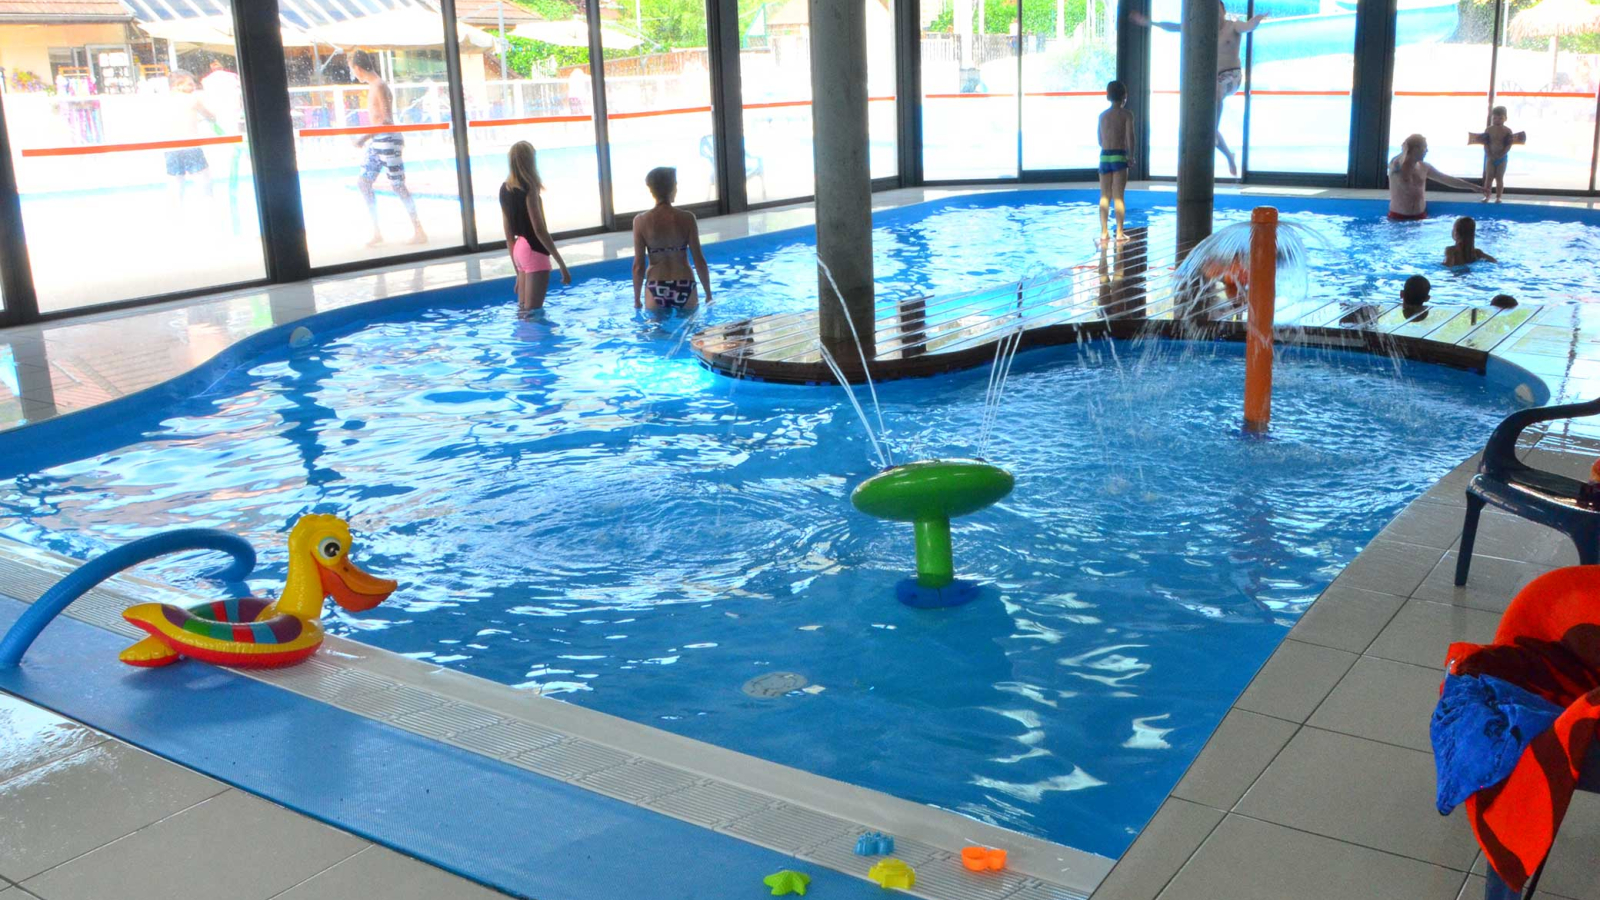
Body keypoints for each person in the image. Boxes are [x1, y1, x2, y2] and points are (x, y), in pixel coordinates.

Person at [1131, 0, 1266, 176]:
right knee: (1208, 130)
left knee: (1216, 93)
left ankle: (1216, 136)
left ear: (1223, 11)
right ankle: (1228, 155)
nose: (1215, 16)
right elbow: (1174, 27)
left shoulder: (1233, 26)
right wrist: (1149, 22)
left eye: (1217, 11)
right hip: (1214, 81)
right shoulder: (1203, 29)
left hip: (1231, 76)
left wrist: (1257, 20)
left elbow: (1247, 26)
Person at [350, 49, 427, 247]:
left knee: (398, 185)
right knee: (363, 183)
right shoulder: (374, 86)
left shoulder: (379, 86)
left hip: (387, 140)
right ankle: (377, 231)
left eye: (352, 69)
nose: (353, 73)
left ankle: (419, 230)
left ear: (358, 68)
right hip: (377, 141)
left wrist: (362, 137)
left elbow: (385, 119)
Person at [500, 141, 571, 314]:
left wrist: (517, 271)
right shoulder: (529, 188)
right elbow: (539, 229)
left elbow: (509, 236)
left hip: (519, 249)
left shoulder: (504, 189)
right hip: (534, 250)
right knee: (534, 313)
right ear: (530, 161)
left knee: (523, 311)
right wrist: (561, 264)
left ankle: (522, 341)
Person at [632, 167, 713, 314]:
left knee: (657, 336)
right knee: (689, 335)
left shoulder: (640, 221)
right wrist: (708, 294)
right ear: (673, 187)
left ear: (651, 190)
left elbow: (638, 266)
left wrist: (637, 300)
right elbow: (699, 260)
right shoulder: (688, 218)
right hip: (685, 284)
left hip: (656, 286)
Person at [1388, 134, 1481, 220]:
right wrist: (1405, 150)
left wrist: (1473, 186)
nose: (1427, 151)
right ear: (1415, 149)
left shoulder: (1424, 167)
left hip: (1420, 217)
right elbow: (1396, 162)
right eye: (1425, 147)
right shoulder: (1395, 166)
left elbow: (1446, 179)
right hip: (1397, 217)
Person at [164, 70, 216, 209]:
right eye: (190, 84)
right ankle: (210, 212)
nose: (194, 87)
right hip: (190, 146)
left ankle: (177, 215)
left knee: (176, 185)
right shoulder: (192, 99)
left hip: (171, 149)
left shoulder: (165, 100)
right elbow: (210, 116)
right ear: (177, 85)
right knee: (203, 183)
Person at [1098, 80, 1136, 246]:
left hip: (1104, 156)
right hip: (1119, 156)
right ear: (1124, 97)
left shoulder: (1102, 116)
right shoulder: (1127, 115)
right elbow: (1130, 137)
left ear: (1108, 96)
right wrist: (1131, 155)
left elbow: (1099, 140)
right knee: (1118, 196)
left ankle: (1104, 232)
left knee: (1104, 195)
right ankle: (1119, 233)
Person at [1476, 106, 1517, 203]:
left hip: (1502, 158)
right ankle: (1487, 196)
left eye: (1500, 118)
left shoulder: (1508, 130)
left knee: (1499, 178)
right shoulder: (1488, 129)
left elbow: (1508, 145)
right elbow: (1485, 143)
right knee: (1488, 178)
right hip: (1490, 157)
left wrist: (1502, 154)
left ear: (1505, 118)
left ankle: (1498, 197)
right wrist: (1488, 153)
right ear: (1491, 118)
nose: (1497, 120)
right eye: (1495, 118)